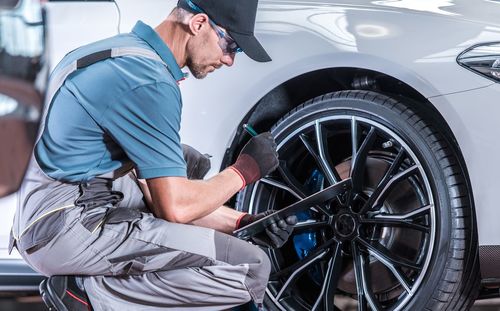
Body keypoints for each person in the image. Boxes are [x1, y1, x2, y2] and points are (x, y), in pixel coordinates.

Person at [9, 0, 298, 310]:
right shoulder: (148, 82)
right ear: (199, 24)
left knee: (187, 162)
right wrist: (244, 171)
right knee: (249, 267)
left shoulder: (121, 52)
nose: (229, 60)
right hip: (64, 229)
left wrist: (243, 221)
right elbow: (174, 208)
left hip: (48, 207)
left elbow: (155, 191)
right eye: (230, 45)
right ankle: (87, 293)